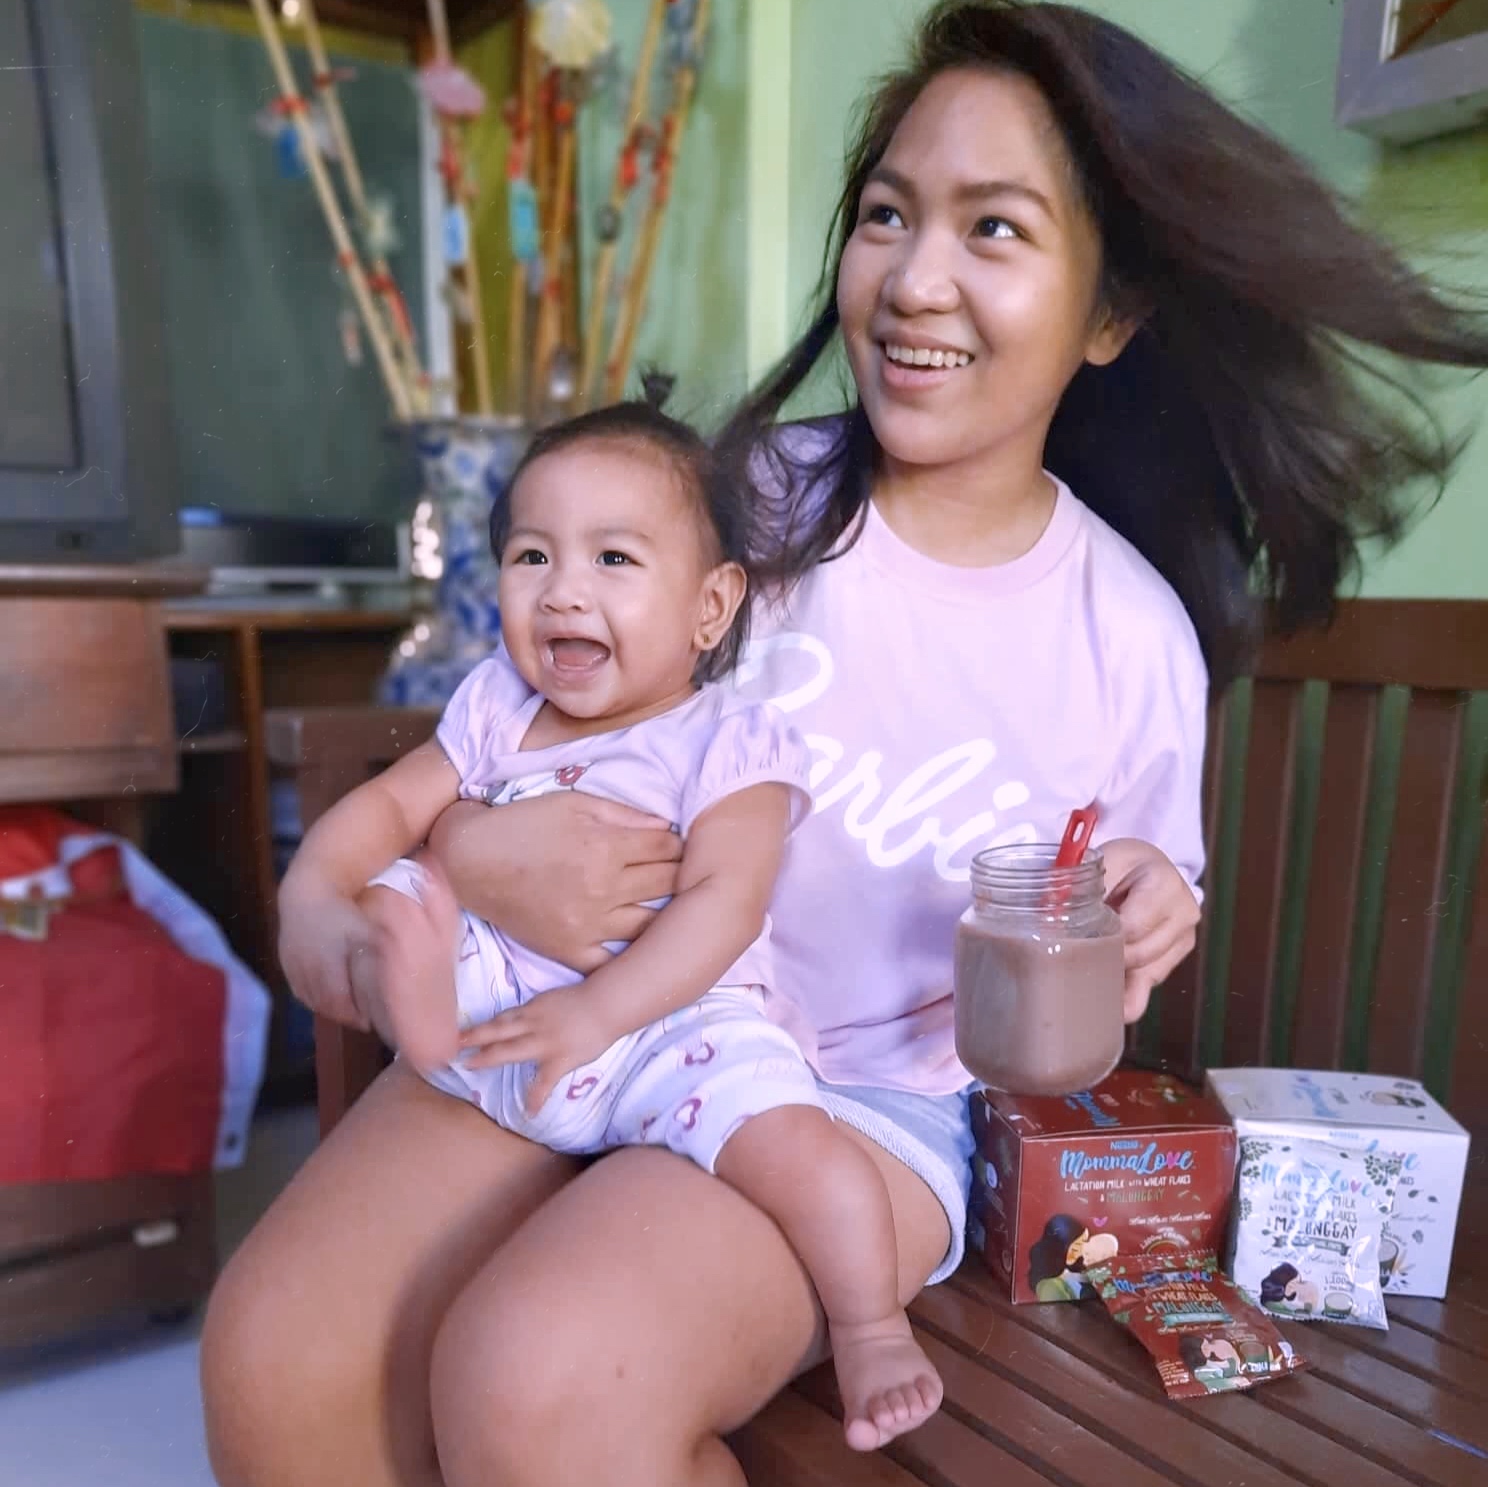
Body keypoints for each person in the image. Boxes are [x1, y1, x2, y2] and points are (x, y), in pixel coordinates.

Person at [201, 4, 1488, 1484]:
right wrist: (477, 848)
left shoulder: (1128, 635)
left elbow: (1113, 947)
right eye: (888, 214)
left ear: (1109, 309)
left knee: (540, 1379)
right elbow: (515, 729)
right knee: (277, 1353)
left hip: (866, 1104)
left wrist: (1139, 904)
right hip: (587, 1010)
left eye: (993, 229)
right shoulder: (744, 507)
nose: (915, 278)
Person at [276, 396, 943, 1450]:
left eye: (615, 559)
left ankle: (871, 1325)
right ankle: (407, 999)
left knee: (801, 1150)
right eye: (532, 555)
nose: (564, 590)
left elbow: (725, 906)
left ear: (711, 607)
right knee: (407, 887)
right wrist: (311, 893)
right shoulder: (496, 706)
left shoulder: (729, 738)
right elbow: (390, 808)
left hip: (674, 1030)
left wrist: (604, 1008)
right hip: (514, 1019)